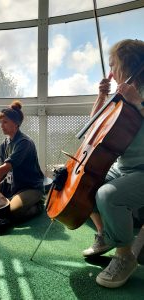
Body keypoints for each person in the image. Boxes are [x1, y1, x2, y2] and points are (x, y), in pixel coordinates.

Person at [82, 39, 144, 288]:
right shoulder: (121, 91)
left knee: (108, 195)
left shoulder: (134, 92)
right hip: (125, 166)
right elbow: (93, 125)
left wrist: (138, 103)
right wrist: (101, 96)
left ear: (127, 64)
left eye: (113, 65)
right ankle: (105, 235)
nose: (110, 72)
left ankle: (124, 256)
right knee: (85, 181)